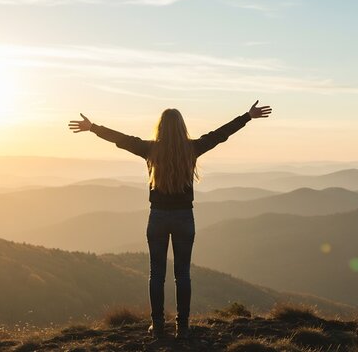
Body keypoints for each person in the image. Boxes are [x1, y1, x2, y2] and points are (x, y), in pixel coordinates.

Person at [68, 101, 272, 339]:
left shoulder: (150, 149)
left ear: (160, 128)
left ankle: (158, 326)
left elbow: (121, 139)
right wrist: (247, 116)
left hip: (157, 217)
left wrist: (93, 127)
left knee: (157, 274)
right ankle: (182, 327)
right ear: (182, 127)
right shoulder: (193, 148)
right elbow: (220, 135)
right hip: (185, 217)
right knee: (182, 274)